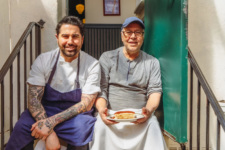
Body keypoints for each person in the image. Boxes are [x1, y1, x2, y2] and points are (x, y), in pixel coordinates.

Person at [6, 16, 101, 150]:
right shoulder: (43, 60)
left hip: (75, 115)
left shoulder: (92, 64)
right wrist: (49, 133)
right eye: (65, 36)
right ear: (57, 38)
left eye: (75, 36)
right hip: (45, 110)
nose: (70, 41)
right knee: (22, 126)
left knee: (82, 130)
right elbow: (33, 100)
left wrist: (50, 123)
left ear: (82, 39)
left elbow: (86, 104)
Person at [90, 17, 168, 150]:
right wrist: (102, 110)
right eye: (128, 32)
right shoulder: (107, 57)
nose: (133, 36)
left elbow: (155, 92)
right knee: (99, 126)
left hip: (140, 116)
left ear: (143, 37)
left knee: (153, 125)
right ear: (122, 35)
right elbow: (101, 90)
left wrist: (148, 111)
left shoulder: (152, 62)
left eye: (138, 32)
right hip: (111, 114)